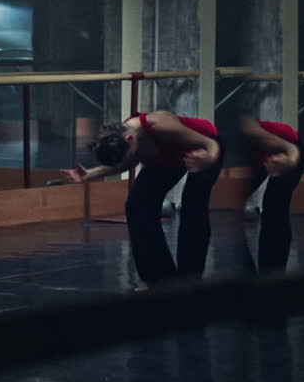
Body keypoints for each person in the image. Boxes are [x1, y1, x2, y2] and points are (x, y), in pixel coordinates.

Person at [63, 110, 222, 288]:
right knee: (138, 207)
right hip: (167, 157)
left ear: (130, 139)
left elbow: (211, 143)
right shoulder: (123, 138)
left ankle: (190, 279)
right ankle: (159, 280)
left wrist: (209, 159)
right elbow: (128, 161)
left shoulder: (160, 125)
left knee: (193, 208)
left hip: (204, 150)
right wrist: (89, 174)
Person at [237, 115, 304, 275]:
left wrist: (290, 161)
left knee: (274, 208)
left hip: (287, 150)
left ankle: (273, 274)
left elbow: (292, 149)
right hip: (259, 158)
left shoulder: (248, 129)